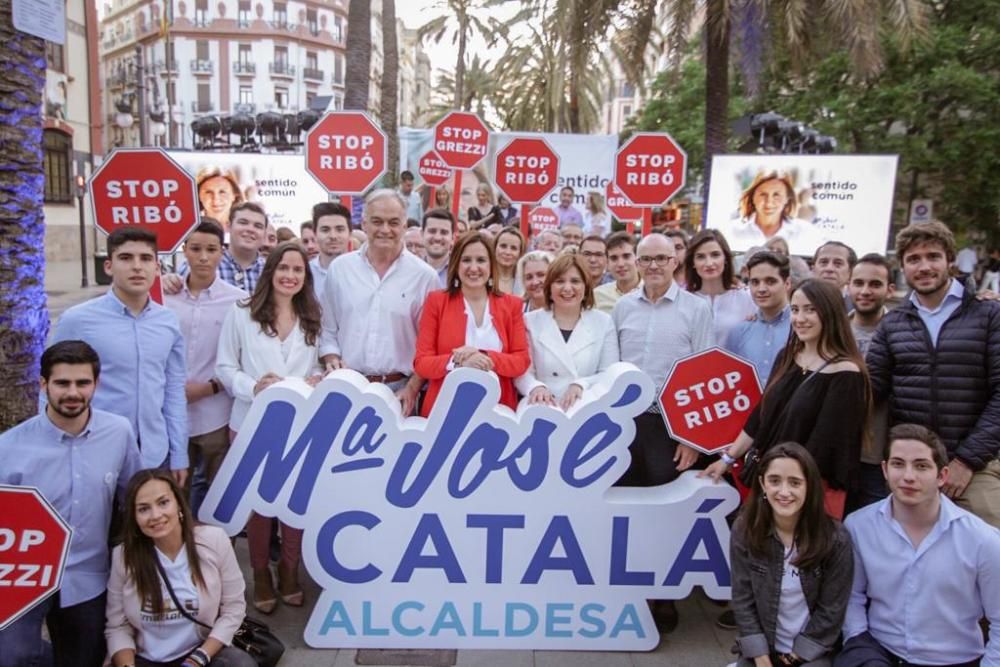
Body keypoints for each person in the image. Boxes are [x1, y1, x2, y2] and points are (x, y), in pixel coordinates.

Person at [0, 341, 141, 667]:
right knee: (11, 657)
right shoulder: (9, 448)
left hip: (89, 576)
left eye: (83, 383)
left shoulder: (118, 432)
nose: (73, 392)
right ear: (43, 384)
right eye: (62, 383)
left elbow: (134, 497)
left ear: (96, 384)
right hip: (24, 578)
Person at [866, 221, 1000, 527]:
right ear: (902, 266)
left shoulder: (988, 314)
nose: (924, 266)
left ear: (949, 260)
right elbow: (870, 391)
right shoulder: (893, 323)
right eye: (914, 259)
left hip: (976, 468)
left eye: (933, 256)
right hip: (911, 467)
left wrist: (967, 461)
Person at [702, 279, 871, 520]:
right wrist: (728, 459)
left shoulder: (847, 373)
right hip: (770, 482)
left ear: (831, 313)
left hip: (805, 494)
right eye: (795, 309)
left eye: (811, 309)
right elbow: (762, 414)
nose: (800, 318)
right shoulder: (788, 356)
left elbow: (825, 448)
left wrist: (785, 487)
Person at [613, 232, 713, 633]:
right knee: (627, 509)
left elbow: (706, 373)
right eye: (646, 259)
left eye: (661, 258)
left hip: (671, 426)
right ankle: (628, 592)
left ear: (676, 261)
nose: (653, 265)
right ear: (636, 263)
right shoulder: (621, 307)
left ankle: (665, 596)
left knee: (666, 512)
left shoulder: (696, 308)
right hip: (624, 423)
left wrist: (692, 437)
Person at [215, 241, 323, 612]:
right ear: (270, 271)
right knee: (260, 509)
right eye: (283, 268)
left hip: (300, 426)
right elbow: (225, 367)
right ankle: (260, 574)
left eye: (298, 270)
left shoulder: (311, 315)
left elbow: (319, 365)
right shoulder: (242, 313)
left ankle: (290, 571)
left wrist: (316, 379)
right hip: (252, 424)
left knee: (294, 505)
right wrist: (253, 385)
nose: (290, 276)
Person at [836, 424, 1000, 667]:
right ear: (884, 469)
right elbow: (852, 597)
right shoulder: (859, 526)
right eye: (898, 464)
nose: (908, 476)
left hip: (954, 660)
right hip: (880, 654)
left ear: (942, 475)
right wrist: (858, 641)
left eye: (921, 466)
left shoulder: (982, 540)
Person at [51, 228, 188, 479]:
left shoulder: (168, 321)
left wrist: (179, 453)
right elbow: (51, 385)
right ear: (109, 266)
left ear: (157, 268)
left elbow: (173, 389)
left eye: (146, 259)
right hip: (94, 454)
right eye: (126, 258)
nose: (137, 267)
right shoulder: (78, 320)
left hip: (155, 454)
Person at [105, 470, 254, 667]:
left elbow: (233, 609)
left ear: (178, 503)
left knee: (240, 663)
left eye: (163, 502)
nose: (156, 515)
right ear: (134, 517)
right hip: (146, 659)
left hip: (198, 654)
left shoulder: (214, 540)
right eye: (143, 509)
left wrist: (197, 660)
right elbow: (117, 626)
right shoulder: (123, 556)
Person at [730, 443, 854, 667]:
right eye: (774, 481)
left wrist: (795, 657)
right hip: (763, 649)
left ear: (809, 487)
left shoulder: (835, 538)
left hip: (812, 652)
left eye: (795, 483)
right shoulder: (745, 529)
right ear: (762, 483)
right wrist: (759, 656)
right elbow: (742, 598)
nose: (784, 492)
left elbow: (831, 611)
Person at [320, 190, 440, 416]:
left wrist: (413, 388)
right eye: (377, 222)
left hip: (400, 392)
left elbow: (430, 344)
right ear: (364, 224)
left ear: (405, 226)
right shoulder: (340, 269)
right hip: (347, 387)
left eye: (393, 222)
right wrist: (332, 358)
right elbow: (328, 329)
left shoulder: (425, 277)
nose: (385, 229)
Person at [163, 220, 247, 515]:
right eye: (195, 249)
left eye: (210, 250)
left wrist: (210, 387)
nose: (202, 257)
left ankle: (217, 552)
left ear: (221, 253)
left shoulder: (237, 301)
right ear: (184, 250)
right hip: (171, 413)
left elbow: (243, 357)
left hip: (216, 411)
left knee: (219, 492)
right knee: (174, 492)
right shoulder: (164, 297)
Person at [414, 232, 530, 416]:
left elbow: (521, 361)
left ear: (491, 265)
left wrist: (482, 356)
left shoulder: (512, 305)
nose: (473, 267)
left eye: (481, 260)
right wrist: (459, 361)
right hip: (444, 410)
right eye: (466, 260)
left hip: (498, 411)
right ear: (456, 265)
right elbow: (422, 363)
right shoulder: (437, 302)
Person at [516, 254, 619, 410]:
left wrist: (581, 384)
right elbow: (523, 371)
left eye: (575, 281)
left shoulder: (603, 322)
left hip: (585, 409)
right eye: (559, 281)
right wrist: (535, 387)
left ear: (586, 287)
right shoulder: (529, 321)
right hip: (541, 409)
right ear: (549, 287)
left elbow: (609, 373)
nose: (567, 288)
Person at [845, 254, 893, 511]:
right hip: (836, 451)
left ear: (890, 289)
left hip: (877, 456)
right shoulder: (833, 329)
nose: (865, 291)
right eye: (858, 283)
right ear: (848, 285)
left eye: (875, 284)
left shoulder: (902, 329)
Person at [724, 250, 792, 386]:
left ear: (787, 284)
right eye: (755, 282)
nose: (761, 289)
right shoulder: (739, 332)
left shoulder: (802, 328)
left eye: (770, 281)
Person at [722, 170, 823, 255]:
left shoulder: (806, 232)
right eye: (763, 194)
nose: (769, 202)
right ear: (752, 197)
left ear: (787, 199)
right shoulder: (731, 230)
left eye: (776, 195)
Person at [685, 229, 757, 345]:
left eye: (715, 255)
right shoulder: (683, 300)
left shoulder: (747, 298)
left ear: (726, 258)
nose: (709, 263)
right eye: (700, 257)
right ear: (692, 262)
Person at [309, 202, 353, 300]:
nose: (333, 236)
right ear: (315, 234)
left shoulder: (364, 272)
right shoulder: (305, 273)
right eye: (325, 230)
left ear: (350, 233)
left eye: (340, 229)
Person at [595, 231, 640, 314]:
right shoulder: (597, 295)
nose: (620, 264)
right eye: (614, 258)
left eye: (626, 256)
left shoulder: (654, 292)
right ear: (607, 263)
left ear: (637, 259)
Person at [196, 167, 242, 233]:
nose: (216, 199)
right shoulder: (188, 230)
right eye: (208, 192)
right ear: (198, 195)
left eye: (222, 192)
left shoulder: (247, 229)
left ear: (234, 195)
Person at [422, 208, 456, 287]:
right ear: (422, 234)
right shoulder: (410, 270)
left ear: (453, 238)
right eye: (432, 231)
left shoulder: (460, 272)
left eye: (444, 232)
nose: (437, 238)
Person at [494, 227, 525, 294]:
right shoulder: (484, 277)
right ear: (495, 248)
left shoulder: (525, 281)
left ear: (520, 253)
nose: (508, 252)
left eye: (513, 248)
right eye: (503, 246)